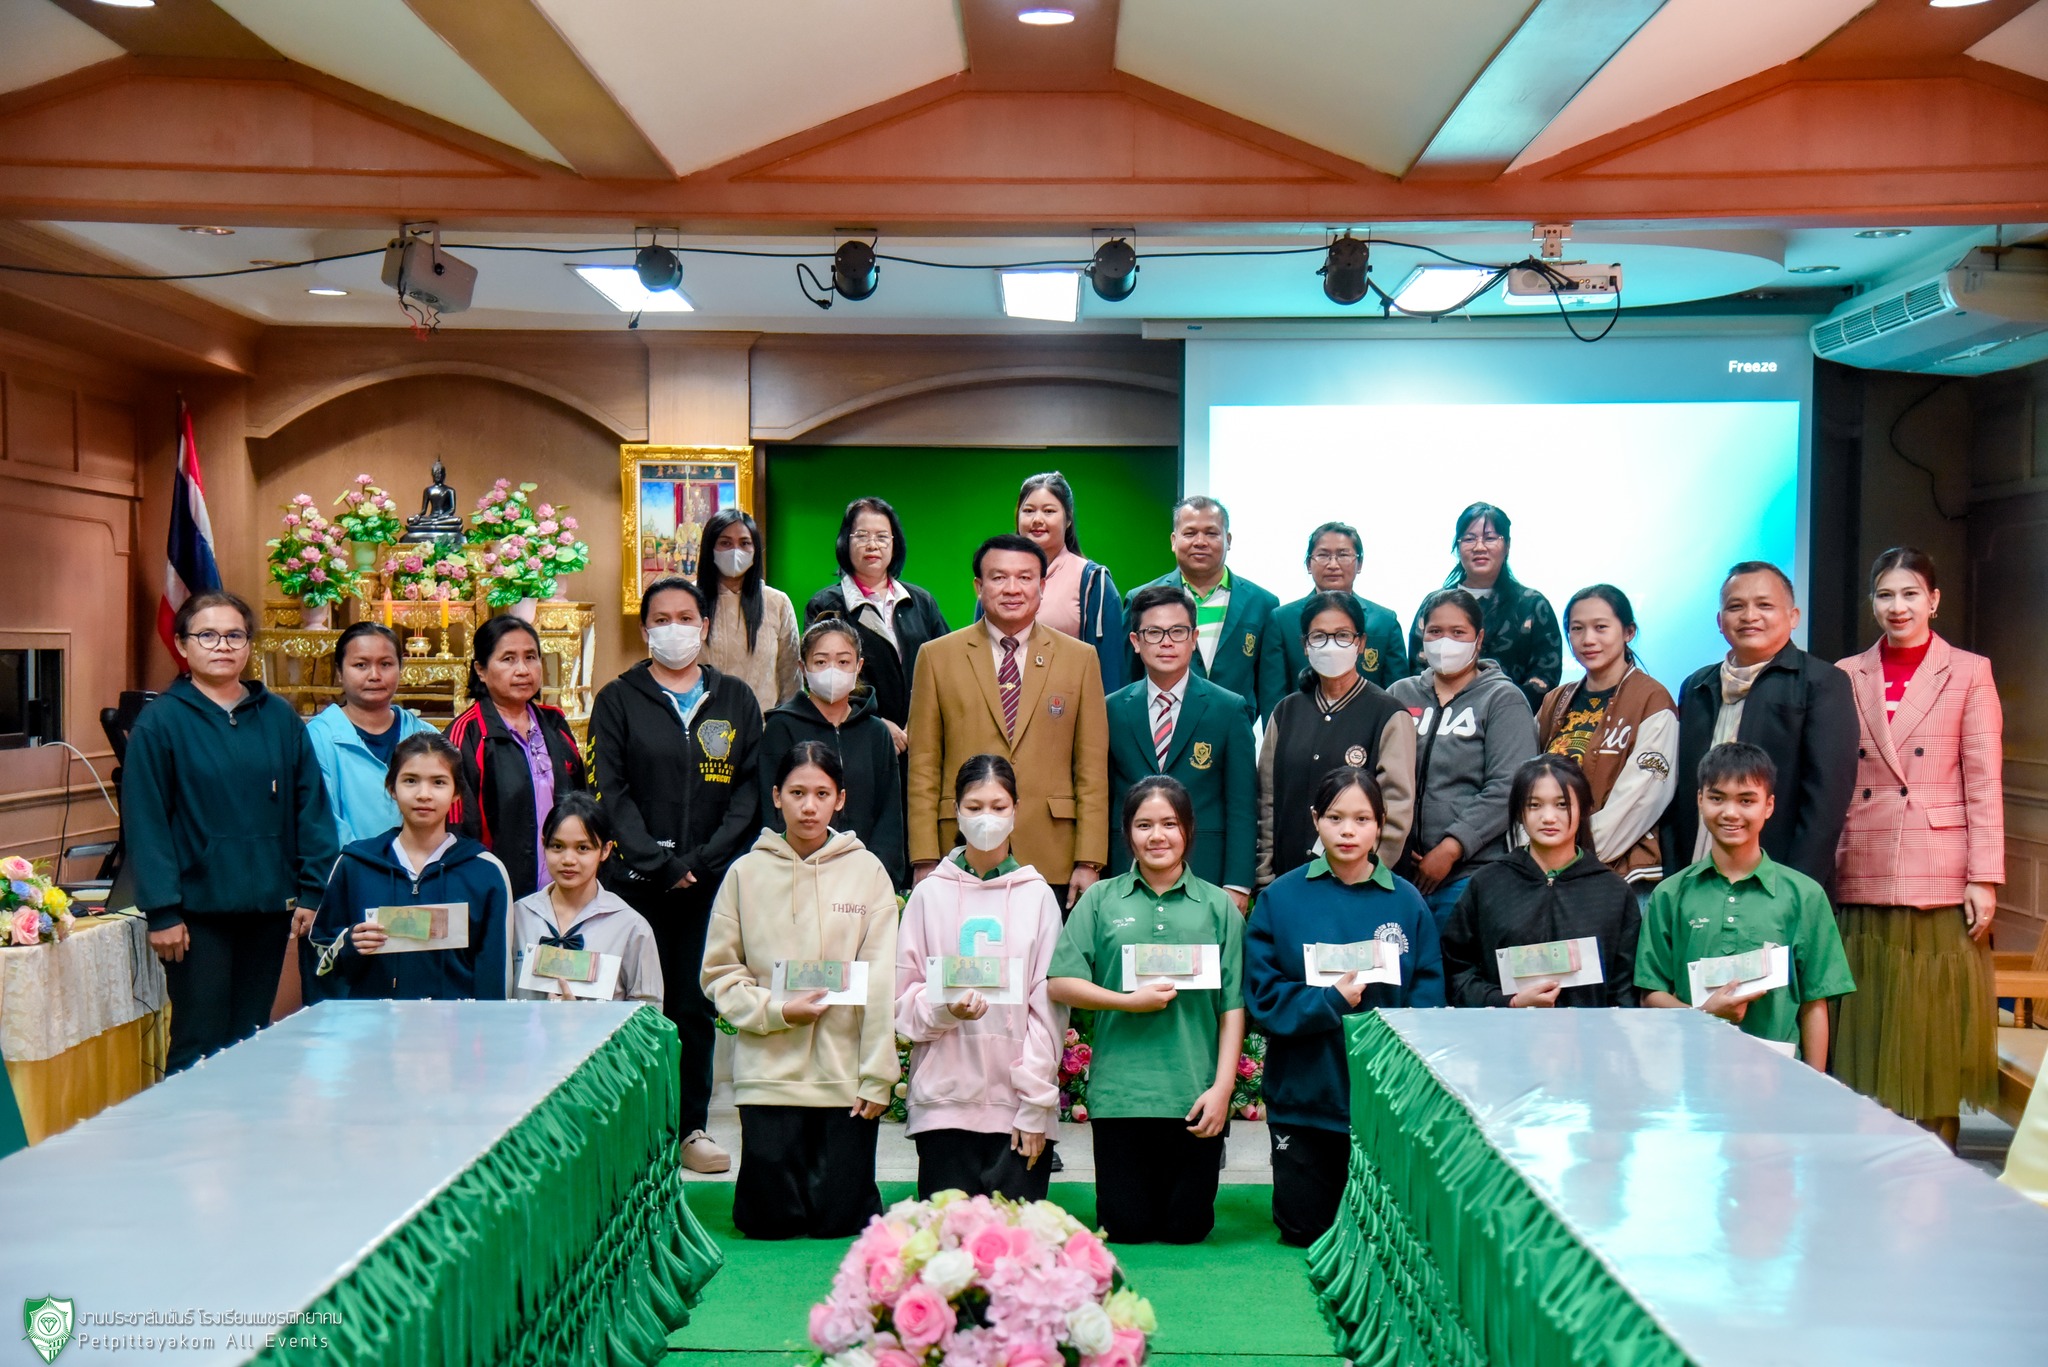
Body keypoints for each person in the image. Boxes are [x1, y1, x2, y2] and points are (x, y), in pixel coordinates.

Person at [588, 575, 764, 1176]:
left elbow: (749, 791)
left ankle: (691, 1128)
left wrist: (702, 861)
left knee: (692, 1006)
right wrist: (657, 861)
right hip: (634, 885)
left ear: (704, 626)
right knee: (632, 1006)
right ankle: (631, 1132)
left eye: (686, 618)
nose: (675, 629)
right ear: (645, 630)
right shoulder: (618, 699)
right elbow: (609, 790)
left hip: (708, 886)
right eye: (661, 619)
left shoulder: (735, 699)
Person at [122, 591, 339, 1073]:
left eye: (234, 635)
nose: (222, 645)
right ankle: (186, 1124)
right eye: (207, 635)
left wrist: (312, 890)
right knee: (199, 1037)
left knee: (249, 1036)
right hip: (196, 917)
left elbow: (311, 808)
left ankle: (244, 1122)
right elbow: (146, 823)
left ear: (248, 645)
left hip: (268, 910)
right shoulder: (161, 723)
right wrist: (162, 911)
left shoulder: (279, 718)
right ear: (182, 645)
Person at [1831, 547, 2004, 1146]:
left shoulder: (1969, 671)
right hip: (1863, 854)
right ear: (1872, 602)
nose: (1897, 606)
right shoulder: (1847, 673)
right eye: (1885, 594)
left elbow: (1983, 782)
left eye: (1910, 594)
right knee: (1868, 1019)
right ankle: (1868, 1158)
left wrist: (1984, 877)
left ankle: (1937, 1164)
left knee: (1932, 1023)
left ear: (1934, 600)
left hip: (1939, 866)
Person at [701, 743, 899, 1239]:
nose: (809, 806)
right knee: (767, 1225)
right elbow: (719, 973)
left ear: (840, 800)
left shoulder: (868, 873)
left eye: (822, 794)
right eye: (797, 793)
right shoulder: (745, 874)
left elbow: (880, 981)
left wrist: (877, 1076)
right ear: (776, 796)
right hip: (768, 1073)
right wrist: (778, 1009)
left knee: (842, 1223)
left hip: (843, 1077)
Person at [1243, 767, 1443, 1246]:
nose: (1348, 831)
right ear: (1316, 820)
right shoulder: (1281, 898)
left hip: (1382, 1103)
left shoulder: (1407, 903)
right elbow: (1263, 997)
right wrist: (1328, 1001)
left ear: (1381, 825)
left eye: (1361, 819)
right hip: (1305, 1099)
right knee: (1303, 1230)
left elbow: (1428, 1001)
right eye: (1335, 818)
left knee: (1386, 1236)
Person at [1049, 777, 1245, 1245]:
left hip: (1193, 1094)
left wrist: (1222, 1089)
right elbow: (1060, 982)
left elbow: (1232, 1006)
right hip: (1121, 1097)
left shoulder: (1219, 906)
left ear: (1188, 830)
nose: (1157, 836)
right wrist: (1126, 1001)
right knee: (1126, 1229)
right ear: (1127, 833)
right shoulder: (1101, 899)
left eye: (1169, 824)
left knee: (1188, 1230)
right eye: (1144, 825)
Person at [894, 755, 1064, 1200]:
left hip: (1017, 1107)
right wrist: (944, 1009)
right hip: (944, 1103)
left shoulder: (1038, 897)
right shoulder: (929, 895)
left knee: (1015, 1237)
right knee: (948, 1236)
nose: (986, 817)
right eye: (974, 807)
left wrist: (1035, 1103)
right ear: (955, 810)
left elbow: (1047, 1010)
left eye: (998, 806)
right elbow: (903, 999)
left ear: (1016, 810)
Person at [907, 534, 1109, 909]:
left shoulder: (1080, 659)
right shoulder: (936, 657)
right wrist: (923, 856)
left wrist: (1089, 859)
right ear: (978, 587)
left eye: (1025, 577)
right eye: (999, 578)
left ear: (1042, 586)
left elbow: (1092, 767)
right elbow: (923, 764)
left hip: (1053, 851)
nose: (1012, 589)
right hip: (958, 851)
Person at [1638, 742, 1855, 1067]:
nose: (1730, 812)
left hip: (1777, 1075)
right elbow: (1651, 994)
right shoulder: (1670, 895)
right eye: (1717, 798)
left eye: (1746, 800)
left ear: (1768, 806)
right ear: (1699, 800)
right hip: (1690, 1072)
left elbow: (1814, 1003)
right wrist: (1703, 1014)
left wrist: (1814, 1083)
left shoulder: (1804, 896)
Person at [1659, 562, 1857, 890]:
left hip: (1778, 882)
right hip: (1696, 878)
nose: (1750, 616)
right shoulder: (1696, 686)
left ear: (1793, 616)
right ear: (1720, 620)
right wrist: (1674, 878)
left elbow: (1826, 804)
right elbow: (1678, 793)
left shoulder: (1822, 683)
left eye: (1764, 605)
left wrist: (1793, 890)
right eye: (1736, 606)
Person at [309, 732, 513, 1001]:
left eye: (438, 782)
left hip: (456, 1023)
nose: (423, 794)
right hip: (373, 1022)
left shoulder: (486, 871)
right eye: (410, 781)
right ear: (392, 788)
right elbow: (321, 953)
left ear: (456, 793)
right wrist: (349, 943)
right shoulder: (354, 864)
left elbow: (495, 970)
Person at [1386, 589, 1538, 927]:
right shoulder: (1399, 694)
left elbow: (1508, 786)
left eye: (1458, 632)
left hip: (1471, 875)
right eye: (1435, 632)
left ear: (1479, 639)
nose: (1445, 642)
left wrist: (1452, 847)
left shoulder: (1503, 699)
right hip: (1400, 875)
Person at [1440, 755, 1640, 1009]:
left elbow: (1625, 990)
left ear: (1584, 808)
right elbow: (1457, 971)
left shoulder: (1612, 892)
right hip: (1504, 1031)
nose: (1548, 817)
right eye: (1534, 805)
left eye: (1562, 804)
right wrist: (1509, 1002)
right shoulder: (1488, 884)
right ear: (1519, 812)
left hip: (1591, 1033)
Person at [1108, 584, 1258, 910]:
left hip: (1206, 872)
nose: (1166, 642)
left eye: (1177, 632)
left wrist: (1238, 883)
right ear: (1135, 641)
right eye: (1153, 633)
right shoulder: (1111, 709)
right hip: (1126, 871)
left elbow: (1242, 805)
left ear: (1194, 639)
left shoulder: (1229, 709)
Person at [1258, 592, 1414, 887]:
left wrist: (1366, 875)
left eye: (1342, 635)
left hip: (1361, 886)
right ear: (1305, 645)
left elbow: (1396, 809)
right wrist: (1264, 877)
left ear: (1361, 643)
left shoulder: (1388, 713)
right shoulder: (1286, 711)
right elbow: (1266, 801)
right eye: (1319, 636)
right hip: (1288, 882)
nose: (1331, 645)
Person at [1534, 585, 1678, 887]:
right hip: (1548, 872)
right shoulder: (1554, 701)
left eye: (1601, 627)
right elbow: (1526, 785)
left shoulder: (1652, 699)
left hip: (1621, 878)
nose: (1588, 639)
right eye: (1577, 629)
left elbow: (1640, 801)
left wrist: (1572, 858)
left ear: (1628, 632)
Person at [447, 615, 586, 900]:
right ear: (481, 670)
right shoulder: (467, 734)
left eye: (530, 657)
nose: (523, 670)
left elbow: (581, 801)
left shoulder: (554, 723)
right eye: (508, 659)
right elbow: (458, 828)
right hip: (497, 891)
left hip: (563, 889)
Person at [760, 620, 905, 887]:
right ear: (803, 668)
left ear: (858, 666)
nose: (832, 670)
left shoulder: (876, 732)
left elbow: (889, 814)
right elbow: (772, 809)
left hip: (864, 879)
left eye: (843, 661)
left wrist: (877, 874)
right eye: (821, 662)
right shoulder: (781, 726)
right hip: (797, 876)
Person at [802, 496, 950, 747]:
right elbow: (819, 679)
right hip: (856, 737)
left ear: (894, 543)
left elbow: (945, 666)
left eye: (882, 537)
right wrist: (875, 722)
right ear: (845, 542)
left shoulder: (920, 601)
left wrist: (922, 721)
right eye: (862, 536)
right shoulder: (826, 605)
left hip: (920, 738)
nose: (872, 545)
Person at [1124, 496, 1279, 717]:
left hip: (1234, 728)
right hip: (1160, 727)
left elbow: (1269, 689)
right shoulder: (1140, 599)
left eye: (1211, 533)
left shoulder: (1262, 602)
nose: (1200, 542)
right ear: (1173, 540)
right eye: (1189, 533)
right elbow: (1127, 679)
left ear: (1228, 540)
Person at [507, 794, 663, 1006]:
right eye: (557, 846)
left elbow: (649, 1010)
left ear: (605, 850)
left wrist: (582, 1018)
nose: (568, 860)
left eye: (583, 848)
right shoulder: (518, 916)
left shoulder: (630, 927)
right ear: (543, 844)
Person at [1405, 503, 1561, 712]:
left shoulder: (1532, 605)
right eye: (1469, 539)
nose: (1479, 547)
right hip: (1440, 716)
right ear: (1457, 547)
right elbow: (1418, 667)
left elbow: (1545, 676)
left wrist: (1501, 710)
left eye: (1490, 538)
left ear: (1507, 545)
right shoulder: (1436, 603)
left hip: (1511, 716)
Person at [305, 623, 433, 847]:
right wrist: (367, 864)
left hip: (422, 862)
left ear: (400, 668)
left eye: (385, 664)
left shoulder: (425, 735)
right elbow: (323, 820)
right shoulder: (319, 737)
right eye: (361, 665)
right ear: (339, 672)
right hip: (349, 864)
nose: (374, 675)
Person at [1260, 521, 1407, 713]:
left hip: (1369, 725)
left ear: (1360, 563)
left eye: (1343, 555)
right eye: (1323, 555)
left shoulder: (1385, 621)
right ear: (1309, 564)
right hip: (1301, 725)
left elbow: (1397, 694)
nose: (1333, 564)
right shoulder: (1282, 620)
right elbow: (1272, 695)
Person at [1014, 471, 1125, 692]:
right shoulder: (995, 579)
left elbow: (1111, 674)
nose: (1037, 520)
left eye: (1049, 511)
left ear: (1068, 519)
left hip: (1064, 707)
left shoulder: (1094, 582)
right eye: (1028, 511)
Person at [698, 508, 802, 714]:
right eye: (725, 543)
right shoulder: (689, 601)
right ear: (710, 548)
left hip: (764, 727)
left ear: (756, 550)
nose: (735, 551)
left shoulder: (777, 603)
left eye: (744, 543)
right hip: (701, 726)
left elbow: (791, 679)